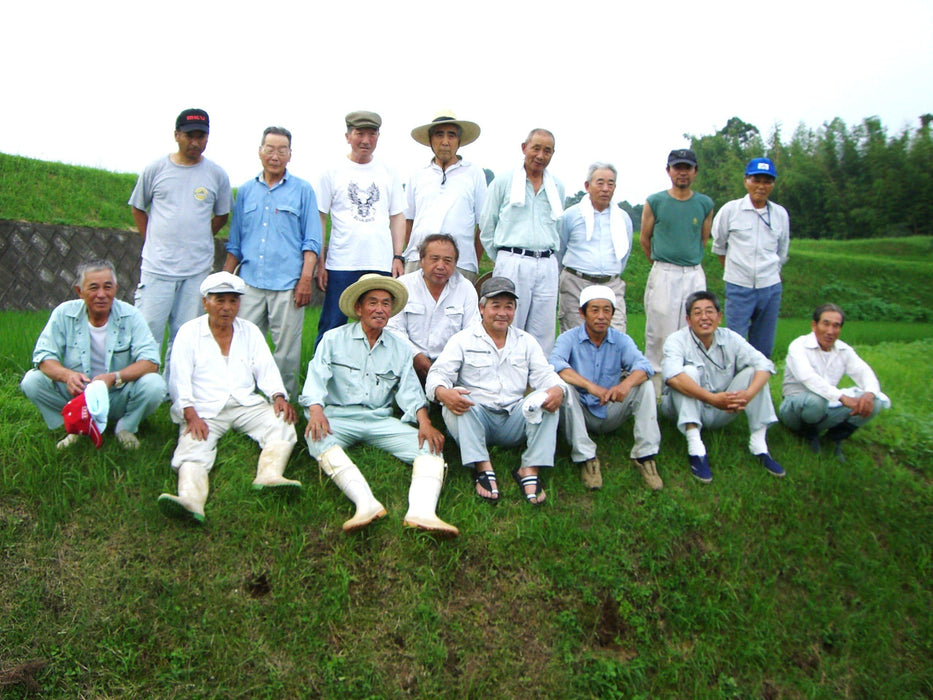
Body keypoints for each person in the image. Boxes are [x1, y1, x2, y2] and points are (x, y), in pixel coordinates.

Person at [301, 275, 455, 536]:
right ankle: (365, 504)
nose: (380, 309)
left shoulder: (400, 348)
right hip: (338, 416)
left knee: (430, 448)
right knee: (317, 438)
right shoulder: (333, 339)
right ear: (359, 308)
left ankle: (423, 512)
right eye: (372, 302)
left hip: (379, 419)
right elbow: (316, 377)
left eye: (385, 304)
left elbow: (409, 390)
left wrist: (425, 422)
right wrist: (315, 411)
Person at [157, 272, 300, 524]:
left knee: (282, 421)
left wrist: (278, 395)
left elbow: (265, 368)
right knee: (193, 445)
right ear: (205, 302)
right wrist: (189, 413)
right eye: (219, 300)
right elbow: (179, 378)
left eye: (233, 301)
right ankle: (191, 500)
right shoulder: (189, 332)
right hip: (204, 409)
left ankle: (269, 475)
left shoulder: (250, 331)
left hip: (244, 403)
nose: (226, 307)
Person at [426, 276, 566, 506]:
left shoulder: (526, 341)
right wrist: (443, 393)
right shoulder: (462, 339)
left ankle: (529, 468)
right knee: (456, 403)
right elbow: (437, 375)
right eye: (495, 306)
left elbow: (546, 375)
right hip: (477, 418)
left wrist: (558, 389)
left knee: (549, 399)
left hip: (514, 418)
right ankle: (482, 465)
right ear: (482, 308)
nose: (502, 313)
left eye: (508, 307)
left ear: (515, 311)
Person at [128, 108, 232, 380]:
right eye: (189, 136)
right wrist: (151, 239)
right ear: (177, 135)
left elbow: (222, 215)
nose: (195, 142)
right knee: (147, 330)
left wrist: (199, 236)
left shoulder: (216, 175)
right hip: (157, 268)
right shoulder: (156, 169)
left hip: (195, 269)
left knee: (185, 334)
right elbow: (138, 208)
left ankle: (172, 390)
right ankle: (141, 387)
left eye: (202, 136)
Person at [21, 260, 165, 449]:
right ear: (79, 291)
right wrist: (68, 376)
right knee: (31, 381)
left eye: (108, 287)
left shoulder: (131, 315)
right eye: (93, 288)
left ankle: (126, 428)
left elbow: (150, 362)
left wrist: (114, 377)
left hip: (117, 393)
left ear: (116, 288)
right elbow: (43, 357)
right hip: (78, 394)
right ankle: (73, 427)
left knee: (155, 384)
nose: (101, 295)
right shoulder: (64, 313)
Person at [223, 126, 322, 398]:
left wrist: (305, 280)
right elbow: (235, 243)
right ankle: (240, 402)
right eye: (269, 149)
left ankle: (283, 408)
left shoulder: (303, 190)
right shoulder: (245, 191)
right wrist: (222, 282)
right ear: (259, 151)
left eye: (282, 150)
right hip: (250, 283)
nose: (275, 156)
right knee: (241, 348)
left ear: (290, 155)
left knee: (286, 355)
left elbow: (312, 240)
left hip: (288, 285)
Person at [661, 291, 785, 483]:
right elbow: (672, 377)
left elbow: (765, 365)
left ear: (719, 317)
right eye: (698, 312)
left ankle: (759, 444)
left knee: (755, 372)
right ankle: (695, 447)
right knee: (686, 373)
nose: (704, 317)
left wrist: (747, 395)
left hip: (723, 407)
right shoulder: (677, 340)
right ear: (688, 319)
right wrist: (711, 398)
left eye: (710, 311)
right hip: (682, 408)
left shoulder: (731, 338)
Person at [549, 285, 662, 491]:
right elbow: (555, 365)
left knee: (644, 386)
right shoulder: (569, 338)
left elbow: (644, 366)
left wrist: (625, 385)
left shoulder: (621, 340)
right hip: (580, 410)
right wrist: (590, 387)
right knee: (564, 386)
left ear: (612, 313)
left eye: (607, 310)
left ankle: (646, 456)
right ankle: (586, 458)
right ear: (582, 313)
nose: (601, 316)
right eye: (595, 310)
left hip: (611, 407)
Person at [314, 111, 406, 347]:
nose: (366, 140)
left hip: (380, 261)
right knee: (331, 324)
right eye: (359, 134)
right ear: (348, 136)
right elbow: (320, 218)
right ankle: (319, 379)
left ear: (378, 136)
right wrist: (320, 260)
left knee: (379, 325)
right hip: (341, 263)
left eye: (372, 134)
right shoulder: (331, 172)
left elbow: (397, 216)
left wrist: (397, 255)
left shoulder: (389, 171)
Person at [480, 128, 564, 355]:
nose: (540, 155)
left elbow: (556, 228)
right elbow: (487, 225)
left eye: (547, 151)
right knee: (507, 323)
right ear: (524, 148)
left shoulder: (557, 186)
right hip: (512, 260)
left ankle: (537, 384)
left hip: (546, 263)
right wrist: (503, 259)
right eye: (536, 148)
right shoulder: (504, 182)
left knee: (543, 330)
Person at [640, 149, 714, 391]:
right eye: (677, 167)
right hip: (664, 271)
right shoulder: (655, 201)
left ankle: (689, 385)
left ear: (695, 171)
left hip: (693, 273)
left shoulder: (704, 203)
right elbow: (645, 239)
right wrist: (665, 264)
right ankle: (656, 390)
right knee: (659, 331)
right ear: (668, 170)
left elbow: (703, 239)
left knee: (694, 329)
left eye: (687, 168)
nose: (682, 172)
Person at [779, 303, 890, 461]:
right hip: (795, 409)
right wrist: (842, 398)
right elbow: (807, 377)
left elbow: (864, 372)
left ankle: (833, 439)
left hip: (825, 407)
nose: (830, 331)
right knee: (817, 400)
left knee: (876, 401)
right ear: (814, 325)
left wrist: (869, 394)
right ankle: (807, 436)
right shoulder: (799, 346)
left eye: (836, 326)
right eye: (826, 324)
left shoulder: (844, 350)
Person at [711, 157, 790, 358]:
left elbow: (781, 252)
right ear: (746, 180)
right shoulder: (731, 210)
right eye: (756, 180)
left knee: (763, 347)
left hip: (770, 287)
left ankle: (758, 388)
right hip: (738, 287)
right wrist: (736, 273)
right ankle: (733, 388)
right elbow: (720, 247)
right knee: (734, 344)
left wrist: (768, 275)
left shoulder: (780, 214)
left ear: (773, 184)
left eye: (767, 181)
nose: (761, 186)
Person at [403, 110, 487, 282]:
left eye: (452, 135)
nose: (445, 142)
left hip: (461, 263)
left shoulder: (474, 173)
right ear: (430, 140)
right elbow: (408, 220)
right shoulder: (418, 175)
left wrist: (473, 262)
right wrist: (414, 253)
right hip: (418, 261)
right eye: (439, 135)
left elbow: (483, 224)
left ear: (459, 141)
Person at [386, 234, 479, 385]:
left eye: (448, 261)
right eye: (434, 259)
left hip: (451, 366)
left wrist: (446, 364)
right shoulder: (404, 285)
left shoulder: (466, 288)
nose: (441, 266)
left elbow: (472, 332)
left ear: (455, 263)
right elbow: (393, 328)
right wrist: (415, 355)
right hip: (408, 361)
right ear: (421, 260)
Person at [558, 163, 633, 333]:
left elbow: (625, 254)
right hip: (576, 283)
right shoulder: (571, 215)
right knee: (576, 336)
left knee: (617, 334)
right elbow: (559, 249)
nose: (605, 189)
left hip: (611, 284)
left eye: (610, 184)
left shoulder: (623, 218)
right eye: (600, 183)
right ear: (587, 186)